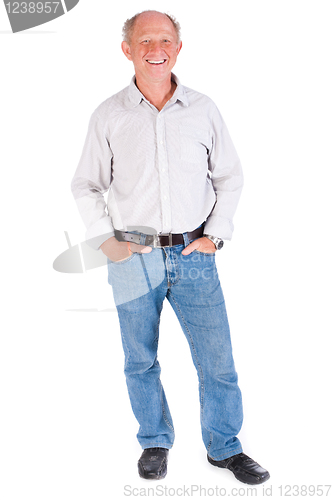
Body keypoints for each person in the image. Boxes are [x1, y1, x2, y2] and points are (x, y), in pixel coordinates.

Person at [71, 10, 270, 485]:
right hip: (132, 258)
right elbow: (85, 185)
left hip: (193, 256)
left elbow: (230, 177)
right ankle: (154, 442)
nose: (154, 48)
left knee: (217, 360)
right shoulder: (108, 114)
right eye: (144, 40)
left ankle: (225, 448)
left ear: (178, 48)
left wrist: (215, 236)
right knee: (140, 359)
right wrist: (107, 242)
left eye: (164, 39)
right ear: (127, 49)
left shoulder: (203, 110)